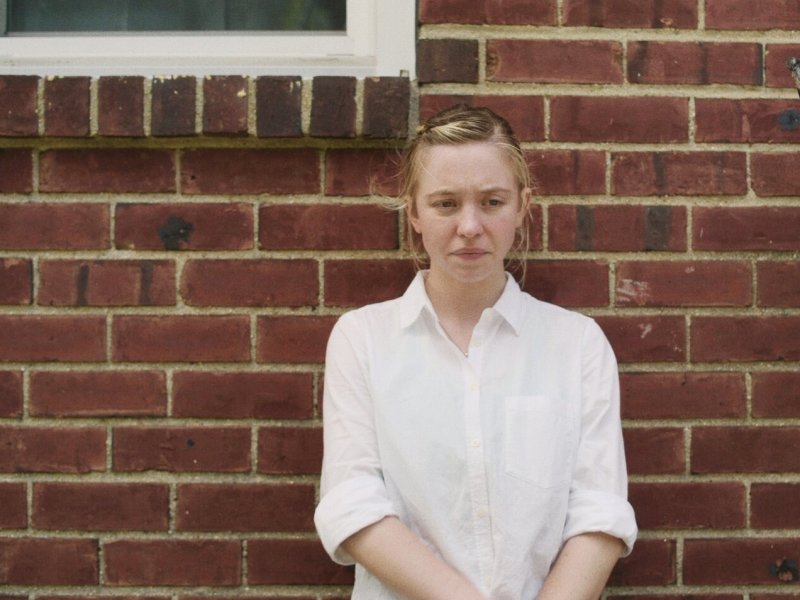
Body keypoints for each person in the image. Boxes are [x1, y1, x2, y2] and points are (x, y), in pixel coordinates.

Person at [314, 105, 637, 599]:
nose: (469, 226)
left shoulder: (577, 344)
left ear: (522, 207)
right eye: (445, 204)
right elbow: (351, 505)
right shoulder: (362, 339)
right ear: (414, 213)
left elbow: (599, 511)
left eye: (491, 202)